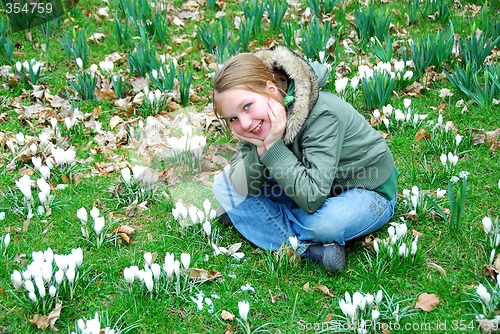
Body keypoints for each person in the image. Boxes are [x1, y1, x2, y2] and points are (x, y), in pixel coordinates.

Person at [211, 45, 398, 273]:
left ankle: (258, 223)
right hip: (305, 186)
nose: (246, 123)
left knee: (324, 223)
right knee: (224, 184)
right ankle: (309, 250)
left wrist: (272, 146)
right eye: (233, 118)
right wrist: (261, 149)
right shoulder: (256, 121)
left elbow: (312, 198)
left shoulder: (322, 114)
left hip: (364, 191)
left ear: (271, 90)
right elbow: (240, 186)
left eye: (247, 106)